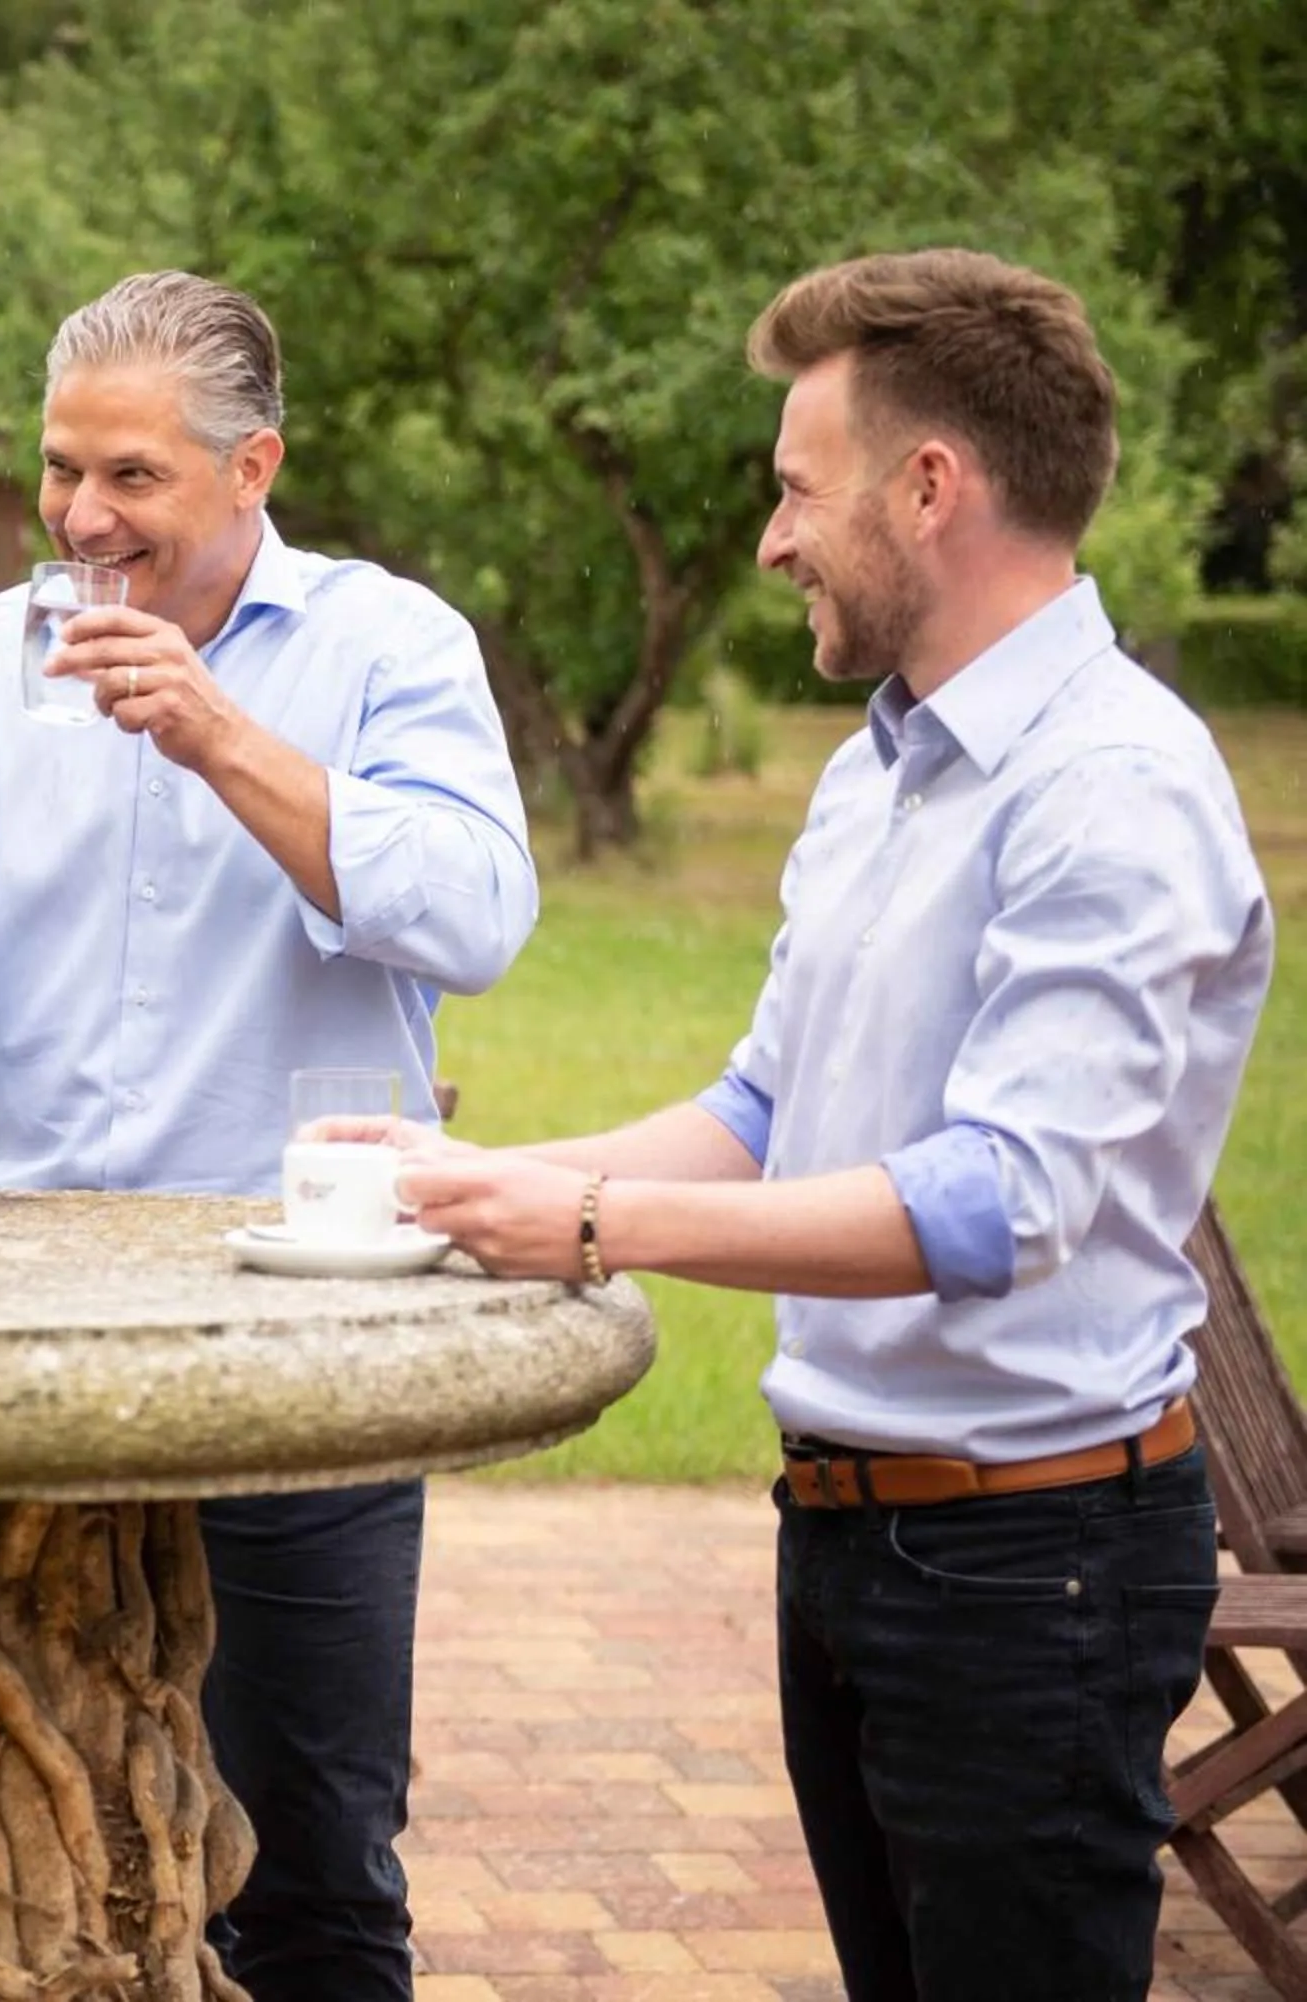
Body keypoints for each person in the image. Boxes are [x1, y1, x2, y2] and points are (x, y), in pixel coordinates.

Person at [365, 250, 1274, 1999]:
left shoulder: (1114, 785)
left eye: (796, 487)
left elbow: (1002, 1197)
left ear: (930, 488)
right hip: (848, 1542)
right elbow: (764, 1107)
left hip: (1030, 1568)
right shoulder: (877, 771)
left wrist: (587, 1230)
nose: (773, 540)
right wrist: (467, 1179)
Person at [0, 269, 539, 1999]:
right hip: (16, 1350)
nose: (82, 518)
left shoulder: (394, 649)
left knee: (309, 1866)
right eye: (60, 470)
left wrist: (221, 733)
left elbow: (474, 918)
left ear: (255, 470)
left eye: (133, 479)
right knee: (1, 1854)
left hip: (300, 1347)